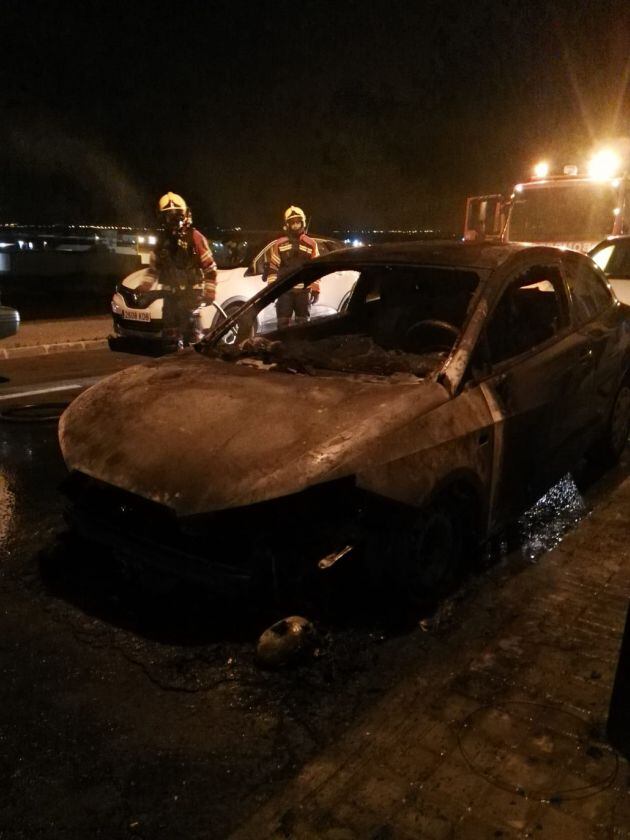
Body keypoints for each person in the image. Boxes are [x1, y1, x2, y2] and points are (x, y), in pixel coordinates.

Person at [151, 192, 218, 345]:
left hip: (191, 296)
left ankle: (196, 366)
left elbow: (210, 267)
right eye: (169, 217)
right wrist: (144, 289)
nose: (174, 222)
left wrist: (210, 290)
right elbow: (153, 268)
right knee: (169, 339)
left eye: (177, 217)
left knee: (193, 338)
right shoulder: (162, 242)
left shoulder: (195, 237)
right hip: (170, 299)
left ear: (186, 215)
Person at [263, 206, 320, 329]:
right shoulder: (280, 243)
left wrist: (315, 288)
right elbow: (273, 267)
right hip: (284, 291)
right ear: (287, 224)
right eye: (292, 222)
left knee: (303, 325)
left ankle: (302, 347)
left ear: (302, 223)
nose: (295, 225)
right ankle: (283, 347)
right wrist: (272, 289)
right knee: (283, 325)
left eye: (297, 222)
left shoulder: (311, 244)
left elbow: (316, 268)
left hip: (304, 292)